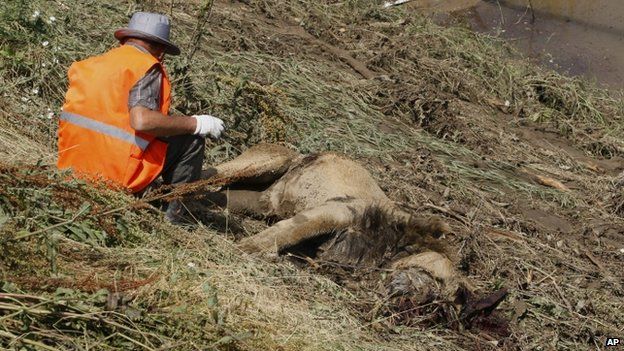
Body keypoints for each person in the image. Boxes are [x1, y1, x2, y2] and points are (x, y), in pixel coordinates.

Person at [57, 12, 224, 222]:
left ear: (125, 39)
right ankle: (174, 222)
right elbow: (142, 121)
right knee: (191, 139)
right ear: (161, 49)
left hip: (72, 168)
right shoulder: (145, 66)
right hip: (114, 175)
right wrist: (196, 123)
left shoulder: (90, 64)